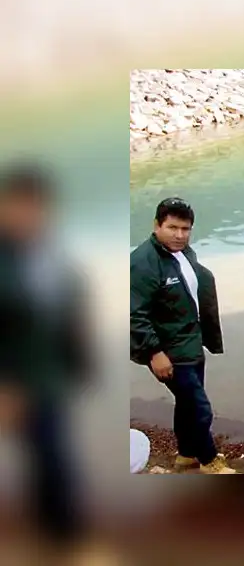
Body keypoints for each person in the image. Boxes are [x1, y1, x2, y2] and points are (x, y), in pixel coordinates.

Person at [0, 161, 95, 558]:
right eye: (18, 207)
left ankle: (63, 541)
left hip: (50, 378)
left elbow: (67, 308)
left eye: (36, 207)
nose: (28, 215)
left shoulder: (46, 252)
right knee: (50, 459)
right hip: (16, 380)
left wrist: (80, 366)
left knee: (54, 459)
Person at [130, 197, 235, 474]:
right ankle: (209, 460)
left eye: (185, 229)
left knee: (187, 404)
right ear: (156, 225)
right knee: (200, 407)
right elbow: (133, 314)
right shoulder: (143, 263)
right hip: (169, 351)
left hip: (190, 343)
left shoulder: (183, 251)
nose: (179, 235)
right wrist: (154, 352)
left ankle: (187, 453)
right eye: (172, 228)